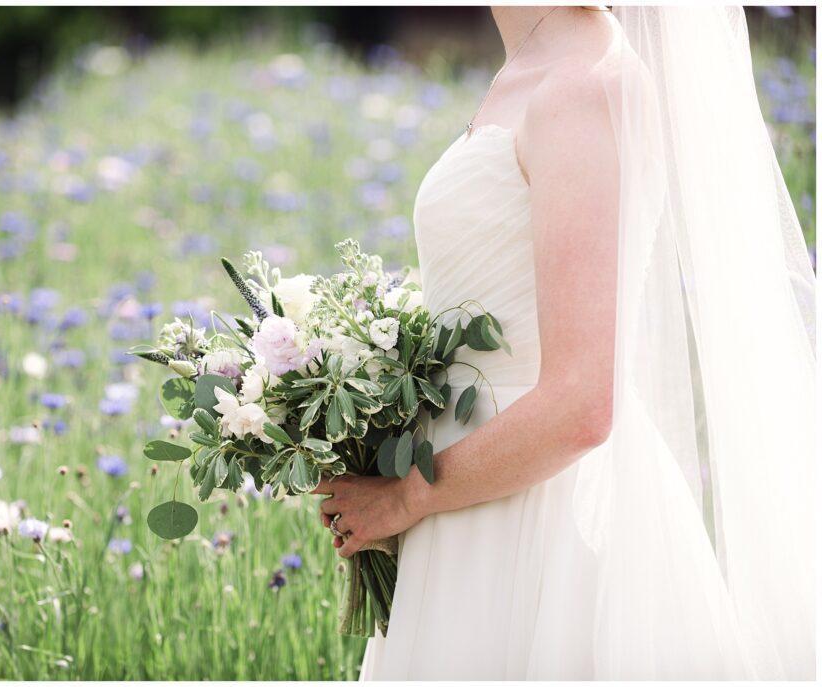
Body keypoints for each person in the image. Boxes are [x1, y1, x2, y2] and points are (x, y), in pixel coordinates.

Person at [312, 5, 816, 680]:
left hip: (542, 522)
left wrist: (405, 496)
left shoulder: (581, 87)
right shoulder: (533, 68)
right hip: (470, 505)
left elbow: (581, 400)